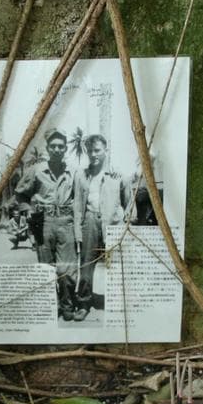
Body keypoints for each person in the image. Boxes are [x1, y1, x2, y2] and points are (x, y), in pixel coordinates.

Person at [13, 128, 80, 321]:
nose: (57, 149)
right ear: (48, 149)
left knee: (67, 270)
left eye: (61, 146)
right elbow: (20, 193)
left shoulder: (72, 172)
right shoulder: (36, 171)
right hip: (43, 223)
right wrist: (29, 211)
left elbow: (78, 197)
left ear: (65, 148)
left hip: (66, 223)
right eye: (53, 146)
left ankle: (68, 305)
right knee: (46, 269)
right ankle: (53, 305)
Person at [72, 134, 130, 321]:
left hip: (112, 224)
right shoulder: (81, 175)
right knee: (87, 264)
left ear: (106, 151)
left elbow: (128, 203)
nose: (93, 154)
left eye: (97, 150)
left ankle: (120, 303)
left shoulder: (117, 175)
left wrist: (122, 223)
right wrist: (77, 232)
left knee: (116, 265)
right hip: (89, 221)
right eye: (90, 151)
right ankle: (83, 303)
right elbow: (77, 206)